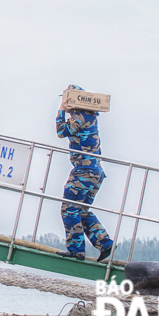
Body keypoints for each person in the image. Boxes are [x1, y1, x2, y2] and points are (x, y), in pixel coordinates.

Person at [54, 84, 114, 262]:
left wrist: (61, 110)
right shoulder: (91, 116)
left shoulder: (80, 116)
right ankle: (104, 242)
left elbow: (60, 131)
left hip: (84, 171)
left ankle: (76, 250)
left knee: (69, 209)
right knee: (81, 210)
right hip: (95, 172)